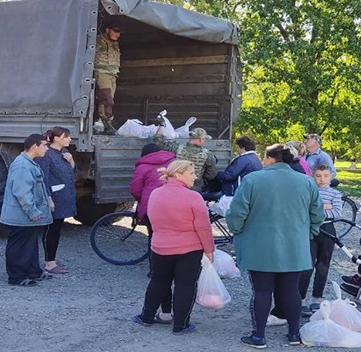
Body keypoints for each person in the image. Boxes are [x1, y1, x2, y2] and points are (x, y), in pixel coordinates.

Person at [227, 144, 325, 348]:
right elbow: (318, 215)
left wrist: (237, 230)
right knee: (291, 291)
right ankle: (294, 334)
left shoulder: (252, 179)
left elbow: (237, 213)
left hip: (259, 245)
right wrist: (307, 234)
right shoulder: (306, 181)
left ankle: (258, 336)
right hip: (295, 246)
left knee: (262, 291)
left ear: (270, 158)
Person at [133, 160, 215, 334]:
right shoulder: (194, 197)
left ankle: (146, 316)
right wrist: (209, 250)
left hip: (160, 246)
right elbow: (203, 227)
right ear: (179, 174)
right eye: (192, 173)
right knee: (185, 285)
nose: (195, 176)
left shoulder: (155, 194)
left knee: (158, 281)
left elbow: (153, 220)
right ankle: (181, 325)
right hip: (189, 249)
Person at [0, 134, 54, 287]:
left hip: (24, 217)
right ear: (34, 146)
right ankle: (16, 277)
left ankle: (32, 272)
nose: (46, 148)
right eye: (44, 145)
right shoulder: (22, 165)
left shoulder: (29, 163)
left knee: (30, 244)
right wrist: (32, 211)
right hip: (20, 216)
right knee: (19, 246)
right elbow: (22, 192)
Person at [298, 164, 343, 316]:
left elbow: (337, 213)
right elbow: (305, 211)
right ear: (312, 176)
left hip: (328, 231)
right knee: (306, 265)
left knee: (323, 265)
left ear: (331, 176)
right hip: (310, 230)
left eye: (325, 176)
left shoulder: (335, 194)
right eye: (318, 176)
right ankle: (301, 298)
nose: (322, 179)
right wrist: (325, 207)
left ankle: (316, 298)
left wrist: (318, 209)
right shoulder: (308, 192)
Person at [130, 143, 176, 283]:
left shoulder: (142, 166)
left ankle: (155, 271)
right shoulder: (173, 163)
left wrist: (141, 200)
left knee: (154, 237)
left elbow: (135, 189)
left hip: (152, 206)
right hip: (173, 204)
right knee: (174, 235)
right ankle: (174, 269)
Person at [35, 127, 76, 274]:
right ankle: (49, 263)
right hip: (54, 198)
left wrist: (71, 161)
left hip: (64, 197)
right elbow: (43, 179)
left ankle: (51, 259)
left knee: (57, 229)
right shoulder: (46, 155)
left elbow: (71, 174)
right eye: (67, 136)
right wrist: (48, 199)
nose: (70, 139)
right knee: (51, 230)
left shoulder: (64, 153)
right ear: (57, 138)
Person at [154, 127, 217, 192]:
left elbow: (158, 142)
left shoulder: (177, 148)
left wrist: (161, 127)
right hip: (195, 189)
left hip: (176, 186)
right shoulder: (208, 155)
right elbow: (211, 175)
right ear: (201, 140)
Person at [94, 22, 122, 134]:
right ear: (107, 30)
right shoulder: (99, 40)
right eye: (115, 31)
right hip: (102, 72)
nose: (117, 34)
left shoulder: (115, 44)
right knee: (106, 98)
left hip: (112, 74)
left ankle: (102, 122)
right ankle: (105, 121)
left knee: (108, 99)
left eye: (119, 32)